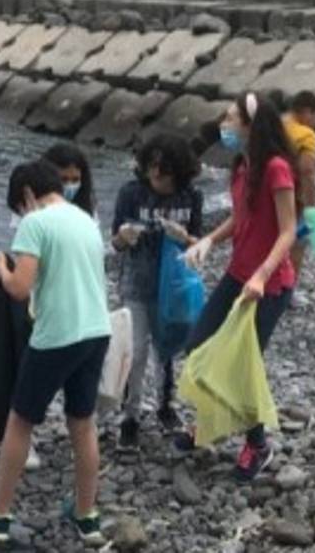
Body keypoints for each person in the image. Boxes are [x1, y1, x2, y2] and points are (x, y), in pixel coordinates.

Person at [0, 161, 112, 547]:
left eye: (19, 207)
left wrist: (0, 264)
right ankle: (86, 514)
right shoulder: (85, 220)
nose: (21, 216)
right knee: (82, 423)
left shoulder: (36, 223)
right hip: (96, 331)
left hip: (57, 337)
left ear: (28, 195)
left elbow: (19, 288)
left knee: (20, 421)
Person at [179, 93, 298, 484]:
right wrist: (208, 241)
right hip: (238, 273)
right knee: (199, 344)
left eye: (231, 118)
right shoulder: (242, 165)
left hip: (268, 284)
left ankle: (258, 443)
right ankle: (212, 422)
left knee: (245, 364)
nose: (224, 125)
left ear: (251, 125)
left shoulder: (277, 168)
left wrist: (262, 276)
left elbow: (288, 231)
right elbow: (239, 217)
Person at [109, 134, 203, 450]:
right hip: (136, 284)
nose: (156, 177)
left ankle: (166, 406)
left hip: (173, 288)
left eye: (164, 173)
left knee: (166, 349)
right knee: (135, 352)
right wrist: (124, 237)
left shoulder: (191, 197)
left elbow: (201, 246)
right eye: (152, 169)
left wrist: (184, 237)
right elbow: (115, 243)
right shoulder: (131, 193)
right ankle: (130, 417)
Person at [283, 92, 315, 292]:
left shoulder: (276, 127)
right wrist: (311, 207)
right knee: (298, 241)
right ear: (307, 111)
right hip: (292, 198)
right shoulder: (305, 135)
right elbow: (307, 171)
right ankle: (288, 291)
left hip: (266, 193)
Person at [43, 143, 98, 220]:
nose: (69, 185)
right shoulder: (31, 209)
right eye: (63, 179)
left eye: (75, 180)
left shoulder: (88, 211)